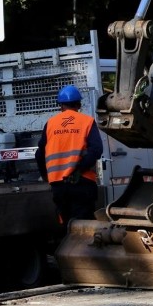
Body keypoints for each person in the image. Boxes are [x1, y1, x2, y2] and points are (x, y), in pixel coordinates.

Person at [35, 85, 103, 226]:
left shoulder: (50, 124)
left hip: (59, 185)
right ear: (79, 104)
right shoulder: (87, 121)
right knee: (84, 226)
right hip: (82, 183)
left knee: (67, 225)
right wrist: (78, 170)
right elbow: (96, 150)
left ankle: (68, 246)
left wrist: (46, 176)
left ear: (60, 105)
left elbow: (39, 154)